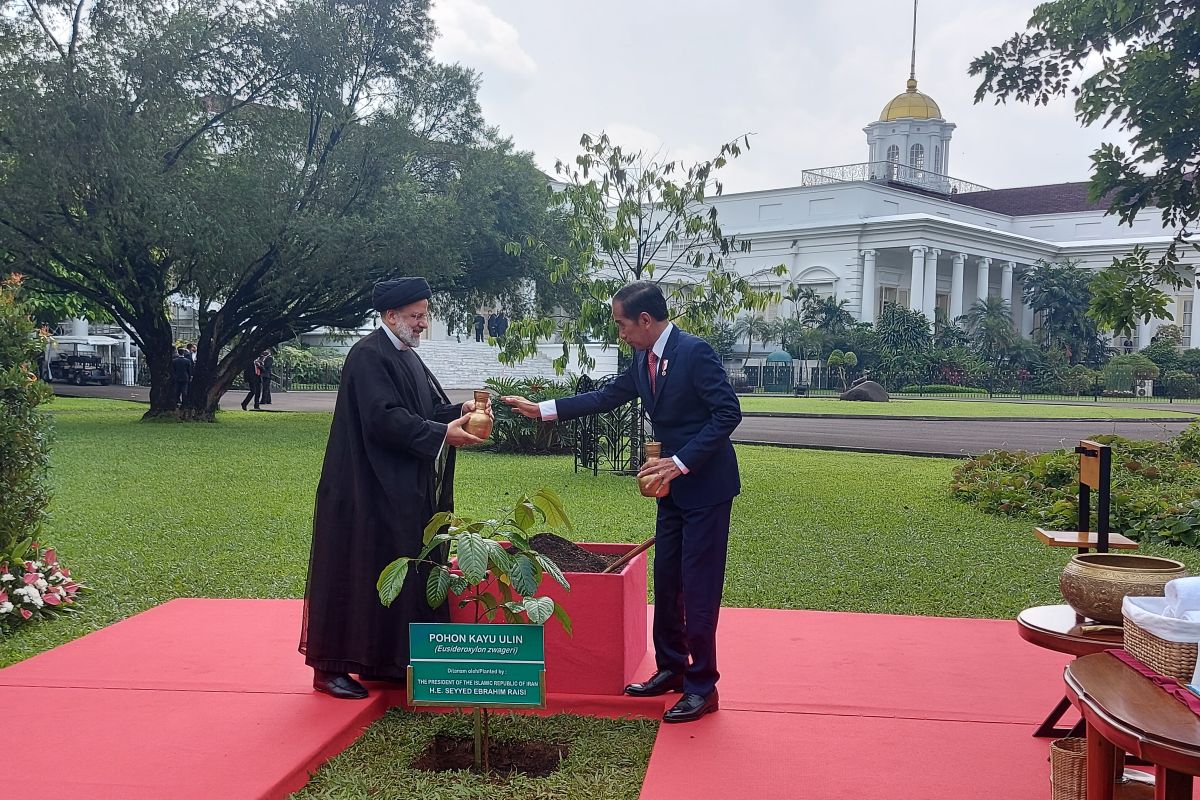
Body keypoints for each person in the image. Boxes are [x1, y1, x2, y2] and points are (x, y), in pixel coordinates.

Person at [502, 281, 740, 724]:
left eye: (621, 323)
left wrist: (680, 462)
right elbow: (606, 397)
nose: (620, 333)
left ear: (645, 320)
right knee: (668, 580)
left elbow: (728, 413)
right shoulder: (641, 358)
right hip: (668, 489)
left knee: (699, 587)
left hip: (705, 487)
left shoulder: (694, 352)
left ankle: (702, 685)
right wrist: (544, 409)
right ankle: (671, 667)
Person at [299, 276, 490, 700]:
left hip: (398, 489)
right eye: (415, 316)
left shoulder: (403, 354)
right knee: (355, 568)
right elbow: (384, 418)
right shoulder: (368, 355)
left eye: (424, 315)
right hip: (363, 489)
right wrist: (444, 431)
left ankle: (386, 660)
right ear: (390, 316)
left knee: (399, 569)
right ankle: (330, 667)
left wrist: (458, 412)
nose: (423, 324)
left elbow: (420, 410)